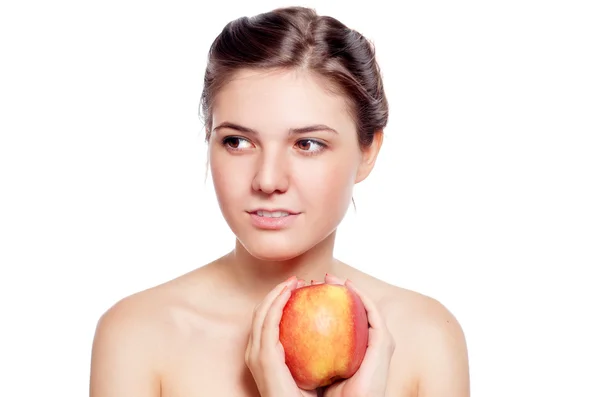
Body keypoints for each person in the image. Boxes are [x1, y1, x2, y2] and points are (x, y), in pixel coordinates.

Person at [89, 6, 470, 397]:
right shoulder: (138, 335)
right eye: (237, 141)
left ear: (368, 151)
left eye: (307, 144)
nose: (267, 180)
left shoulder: (427, 339)